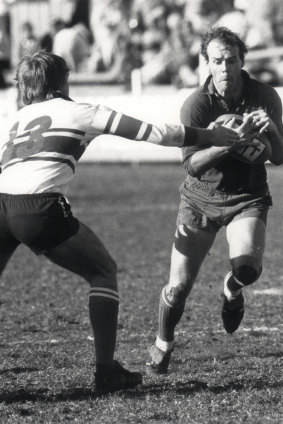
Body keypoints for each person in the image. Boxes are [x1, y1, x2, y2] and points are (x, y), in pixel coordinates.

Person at [0, 51, 242, 394]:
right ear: (61, 82)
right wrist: (209, 136)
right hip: (37, 207)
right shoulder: (80, 111)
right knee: (103, 271)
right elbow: (155, 133)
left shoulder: (17, 119)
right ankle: (105, 371)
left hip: (1, 204)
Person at [147, 26, 283, 375]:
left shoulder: (265, 96)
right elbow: (191, 165)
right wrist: (228, 144)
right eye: (218, 61)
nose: (226, 68)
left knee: (248, 270)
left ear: (242, 61)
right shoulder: (197, 105)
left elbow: (279, 157)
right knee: (178, 289)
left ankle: (231, 290)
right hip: (200, 199)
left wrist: (271, 131)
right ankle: (164, 343)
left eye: (232, 60)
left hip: (247, 197)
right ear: (205, 62)